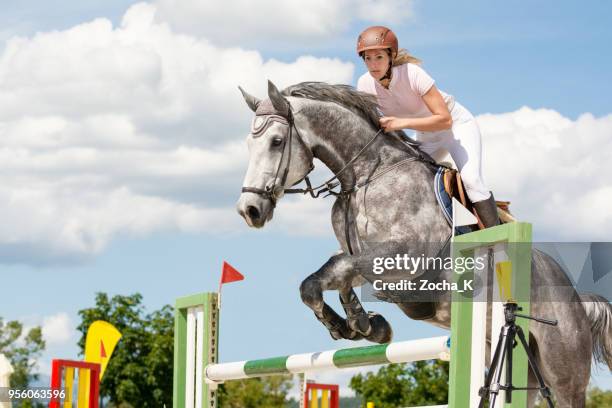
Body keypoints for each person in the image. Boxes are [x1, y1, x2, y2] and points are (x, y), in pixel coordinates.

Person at [356, 26, 500, 228]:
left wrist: (402, 123)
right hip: (426, 135)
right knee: (406, 180)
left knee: (471, 180)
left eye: (379, 57)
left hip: (456, 127)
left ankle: (501, 242)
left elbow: (444, 119)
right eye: (367, 59)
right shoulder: (365, 84)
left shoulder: (412, 73)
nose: (373, 65)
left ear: (391, 56)